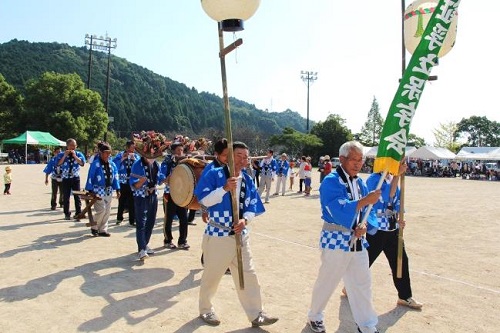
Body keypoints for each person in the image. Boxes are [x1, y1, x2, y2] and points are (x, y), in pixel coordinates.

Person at [194, 141, 278, 328]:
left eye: (245, 157)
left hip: (241, 235)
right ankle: (205, 309)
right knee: (212, 276)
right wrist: (224, 189)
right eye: (238, 155)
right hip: (218, 235)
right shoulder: (215, 174)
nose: (242, 160)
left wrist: (245, 220)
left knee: (248, 275)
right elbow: (204, 200)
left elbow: (252, 206)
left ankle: (256, 313)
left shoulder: (247, 179)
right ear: (230, 156)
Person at [307, 141, 381, 333]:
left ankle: (366, 325)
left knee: (362, 283)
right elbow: (336, 209)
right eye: (354, 159)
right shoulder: (331, 181)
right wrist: (365, 201)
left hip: (358, 241)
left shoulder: (360, 181)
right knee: (328, 281)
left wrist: (364, 225)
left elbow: (367, 212)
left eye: (360, 159)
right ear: (342, 159)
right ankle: (315, 316)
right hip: (335, 239)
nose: (358, 163)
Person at [365, 161, 423, 310]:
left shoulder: (391, 179)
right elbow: (387, 195)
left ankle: (404, 296)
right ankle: (350, 287)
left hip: (392, 228)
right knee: (365, 261)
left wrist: (399, 218)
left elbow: (395, 200)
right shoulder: (373, 179)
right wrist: (398, 174)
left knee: (400, 260)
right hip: (377, 228)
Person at [130, 154, 165, 260]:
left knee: (151, 221)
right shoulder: (137, 164)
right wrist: (140, 181)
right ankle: (141, 249)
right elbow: (134, 184)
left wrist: (167, 177)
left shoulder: (155, 164)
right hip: (141, 195)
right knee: (141, 222)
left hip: (153, 194)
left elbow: (159, 179)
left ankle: (144, 244)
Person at [85, 142, 121, 237]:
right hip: (98, 190)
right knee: (102, 210)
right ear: (101, 153)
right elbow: (91, 176)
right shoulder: (95, 164)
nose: (108, 155)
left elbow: (116, 177)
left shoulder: (112, 164)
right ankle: (94, 227)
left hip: (109, 190)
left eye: (109, 153)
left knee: (108, 211)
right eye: (106, 153)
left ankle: (103, 229)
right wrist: (90, 190)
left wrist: (117, 189)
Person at [161, 141, 190, 250]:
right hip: (170, 193)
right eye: (178, 150)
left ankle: (182, 241)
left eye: (182, 150)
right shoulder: (167, 162)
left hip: (182, 194)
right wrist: (168, 176)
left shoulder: (185, 162)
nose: (180, 152)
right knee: (168, 218)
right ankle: (167, 240)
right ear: (173, 151)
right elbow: (163, 177)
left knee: (184, 218)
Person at [57, 138, 86, 220]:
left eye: (74, 145)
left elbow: (82, 163)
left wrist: (74, 156)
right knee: (66, 196)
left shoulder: (79, 154)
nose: (73, 147)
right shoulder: (61, 154)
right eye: (71, 145)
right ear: (67, 146)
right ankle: (67, 213)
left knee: (77, 196)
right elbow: (58, 164)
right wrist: (65, 156)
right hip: (65, 178)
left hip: (75, 178)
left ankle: (78, 213)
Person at [113, 140, 140, 226]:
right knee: (121, 201)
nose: (133, 150)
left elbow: (140, 166)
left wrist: (134, 160)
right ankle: (119, 218)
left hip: (132, 182)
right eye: (131, 148)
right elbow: (114, 166)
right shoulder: (120, 155)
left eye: (134, 148)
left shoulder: (136, 156)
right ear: (127, 148)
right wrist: (122, 159)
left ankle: (132, 220)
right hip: (122, 181)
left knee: (132, 201)